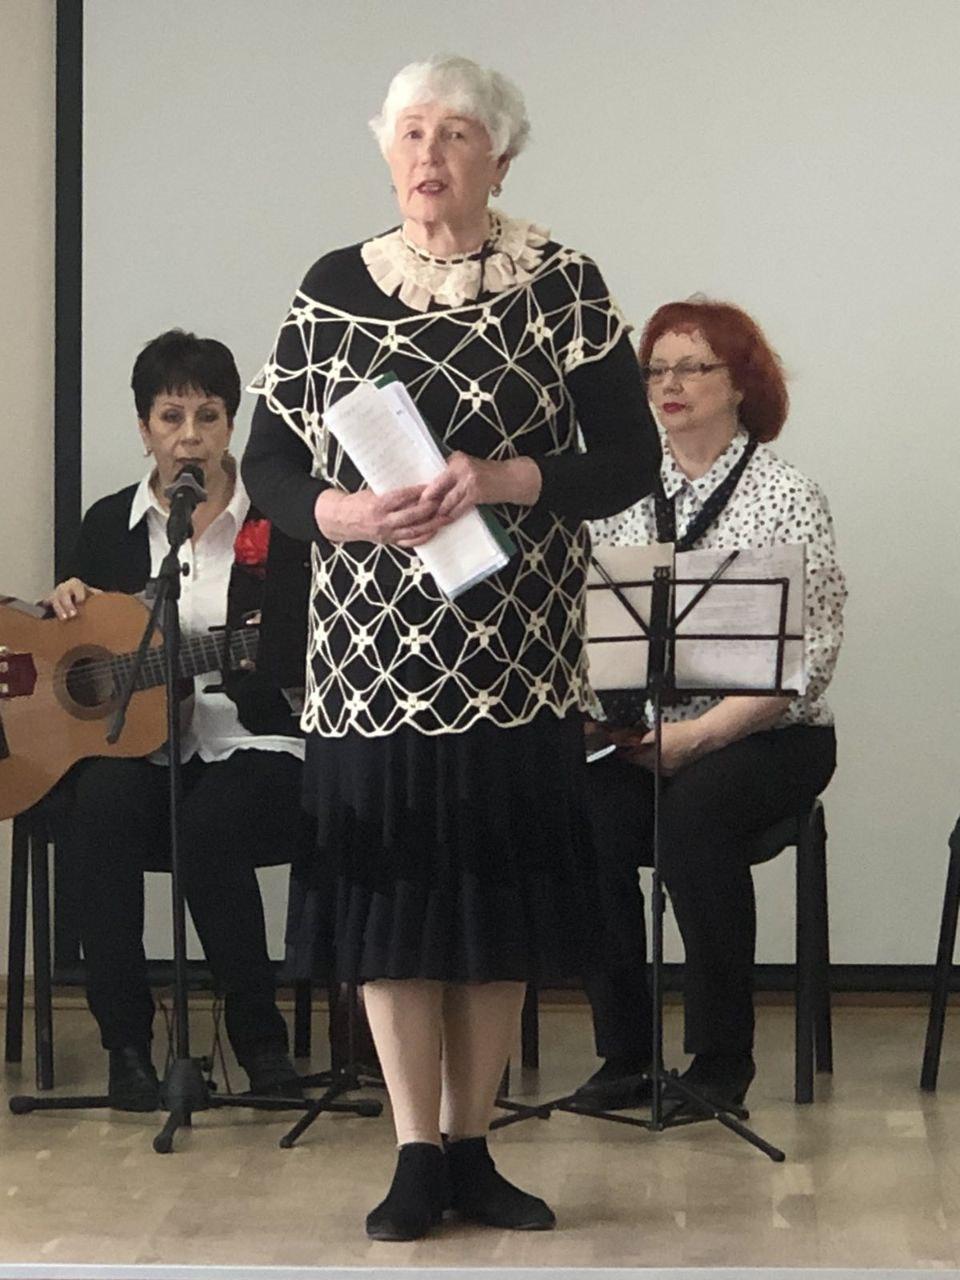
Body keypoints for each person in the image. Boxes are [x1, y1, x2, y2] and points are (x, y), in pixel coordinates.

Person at [242, 55, 660, 1240]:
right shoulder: (334, 287)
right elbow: (267, 462)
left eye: (458, 133)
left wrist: (509, 477)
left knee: (497, 903)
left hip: (515, 653)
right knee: (392, 909)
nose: (430, 153)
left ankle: (473, 1143)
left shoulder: (562, 283)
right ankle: (413, 1149)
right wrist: (340, 512)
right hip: (368, 661)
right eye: (412, 132)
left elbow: (626, 459)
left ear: (501, 158)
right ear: (387, 151)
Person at [575, 299, 847, 1116]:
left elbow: (807, 655)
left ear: (740, 384)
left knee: (693, 819)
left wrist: (697, 736)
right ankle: (624, 1053)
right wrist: (602, 721)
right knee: (586, 814)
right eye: (656, 369)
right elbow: (584, 632)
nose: (670, 384)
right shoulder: (620, 494)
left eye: (693, 367)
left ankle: (722, 1060)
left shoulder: (787, 493)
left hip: (769, 733)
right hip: (648, 726)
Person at [45, 329, 310, 1111]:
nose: (189, 436)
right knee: (97, 808)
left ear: (232, 425)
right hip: (140, 748)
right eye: (171, 417)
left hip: (257, 738)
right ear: (144, 429)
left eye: (208, 415)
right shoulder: (109, 525)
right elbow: (75, 650)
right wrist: (65, 610)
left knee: (209, 825)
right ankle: (126, 1045)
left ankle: (259, 1041)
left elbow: (310, 645)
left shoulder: (284, 523)